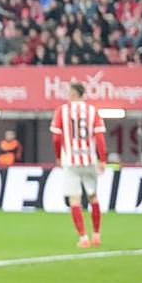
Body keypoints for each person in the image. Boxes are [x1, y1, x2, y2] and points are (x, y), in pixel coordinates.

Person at [51, 82, 107, 247]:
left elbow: (56, 137)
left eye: (69, 93)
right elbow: (100, 137)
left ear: (74, 94)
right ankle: (96, 235)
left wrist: (58, 156)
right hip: (89, 159)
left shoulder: (62, 110)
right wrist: (102, 158)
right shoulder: (92, 111)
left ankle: (83, 238)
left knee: (74, 199)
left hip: (70, 161)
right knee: (93, 196)